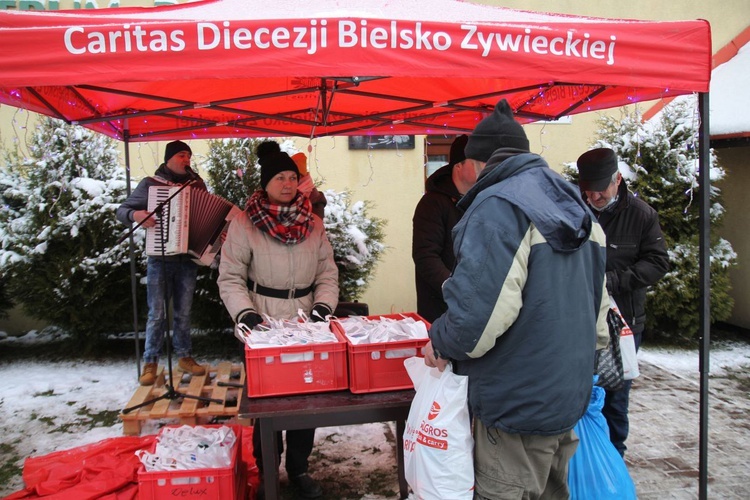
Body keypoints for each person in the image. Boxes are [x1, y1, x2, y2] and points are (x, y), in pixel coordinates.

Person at [424, 99, 610, 499]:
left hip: (514, 407)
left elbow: (477, 322)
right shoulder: (574, 204)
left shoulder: (497, 206)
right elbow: (599, 316)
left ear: (476, 163)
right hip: (566, 397)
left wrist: (440, 339)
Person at [217, 142, 339, 499]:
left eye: (292, 177)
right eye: (279, 178)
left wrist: (323, 307)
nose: (287, 184)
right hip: (262, 325)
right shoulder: (244, 223)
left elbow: (327, 274)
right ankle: (268, 471)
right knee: (265, 405)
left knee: (307, 401)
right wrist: (246, 314)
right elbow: (230, 277)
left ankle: (299, 469)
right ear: (265, 183)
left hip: (305, 325)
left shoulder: (313, 224)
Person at [576, 147, 670, 457]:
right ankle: (584, 456)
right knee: (579, 391)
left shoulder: (642, 214)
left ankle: (614, 457)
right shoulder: (576, 209)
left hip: (624, 322)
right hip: (581, 318)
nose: (594, 196)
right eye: (588, 190)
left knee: (615, 395)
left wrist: (615, 281)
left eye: (600, 189)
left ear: (617, 179)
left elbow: (657, 262)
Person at [116, 140, 207, 386]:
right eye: (181, 155)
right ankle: (151, 362)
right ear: (169, 158)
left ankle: (185, 356)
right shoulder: (150, 184)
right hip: (159, 258)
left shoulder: (197, 185)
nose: (186, 159)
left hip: (188, 259)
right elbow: (122, 210)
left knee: (183, 313)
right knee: (156, 314)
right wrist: (137, 215)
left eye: (188, 155)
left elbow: (206, 215)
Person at [412, 134, 476, 323]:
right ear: (459, 166)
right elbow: (426, 256)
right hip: (441, 311)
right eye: (477, 162)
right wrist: (455, 288)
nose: (485, 167)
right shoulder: (432, 204)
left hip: (475, 307)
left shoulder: (481, 200)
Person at [292, 151, 328, 220]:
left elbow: (314, 227)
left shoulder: (314, 199)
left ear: (300, 175)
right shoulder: (292, 191)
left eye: (292, 176)